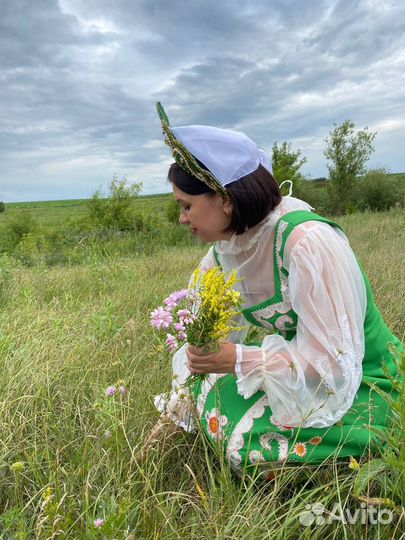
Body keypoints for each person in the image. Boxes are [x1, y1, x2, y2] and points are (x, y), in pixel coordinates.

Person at [142, 102, 403, 478]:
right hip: (306, 374)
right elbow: (205, 349)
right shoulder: (224, 256)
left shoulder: (307, 244)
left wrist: (235, 359)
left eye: (186, 206)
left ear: (227, 201)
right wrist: (174, 414)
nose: (181, 219)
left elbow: (333, 364)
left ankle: (372, 447)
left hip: (369, 379)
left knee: (246, 446)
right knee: (208, 395)